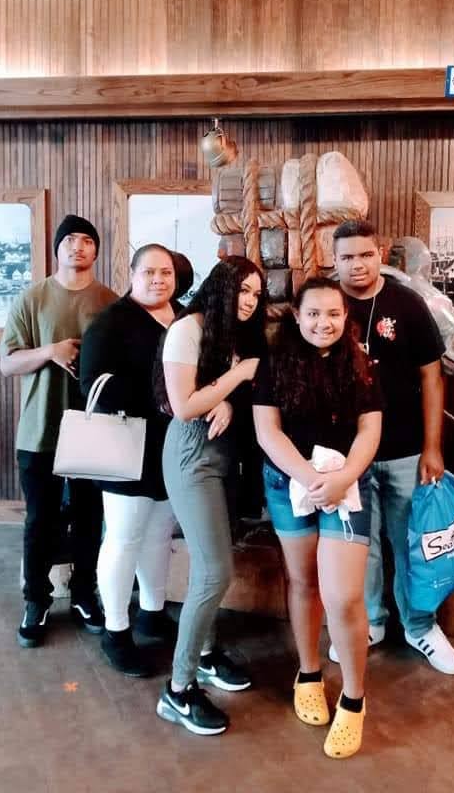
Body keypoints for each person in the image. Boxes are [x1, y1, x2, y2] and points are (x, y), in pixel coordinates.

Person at [253, 278, 382, 759]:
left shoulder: (361, 363)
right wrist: (311, 479)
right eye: (313, 313)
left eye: (333, 313)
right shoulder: (273, 364)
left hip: (347, 487)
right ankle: (308, 672)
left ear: (346, 316)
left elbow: (370, 429)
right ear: (297, 315)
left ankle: (354, 697)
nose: (323, 323)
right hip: (289, 483)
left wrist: (343, 478)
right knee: (304, 581)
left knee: (344, 596)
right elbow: (268, 432)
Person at [331, 220, 454, 675]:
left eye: (365, 254)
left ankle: (420, 625)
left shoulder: (406, 302)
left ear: (380, 253)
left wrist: (433, 447)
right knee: (360, 546)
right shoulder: (326, 304)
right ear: (334, 260)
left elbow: (433, 377)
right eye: (347, 257)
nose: (357, 265)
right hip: (347, 455)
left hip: (406, 449)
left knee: (412, 543)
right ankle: (371, 621)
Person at [156, 256, 266, 736]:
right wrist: (235, 380)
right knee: (214, 571)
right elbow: (183, 406)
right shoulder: (188, 328)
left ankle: (203, 654)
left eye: (256, 294)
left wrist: (227, 400)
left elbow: (220, 394)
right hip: (191, 458)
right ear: (221, 287)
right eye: (243, 290)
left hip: (224, 457)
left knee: (213, 566)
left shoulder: (232, 333)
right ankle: (177, 690)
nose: (250, 301)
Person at [0, 214, 117, 648]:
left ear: (96, 250)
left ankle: (85, 595)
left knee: (90, 518)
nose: (78, 247)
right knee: (40, 521)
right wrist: (51, 350)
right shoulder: (32, 298)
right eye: (70, 240)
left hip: (95, 428)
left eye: (87, 240)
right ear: (57, 248)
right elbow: (7, 363)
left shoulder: (109, 301)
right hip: (40, 430)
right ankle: (37, 599)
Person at [79, 244, 193, 677]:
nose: (159, 280)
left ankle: (152, 611)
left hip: (172, 444)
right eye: (149, 272)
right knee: (124, 536)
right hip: (126, 444)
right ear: (132, 274)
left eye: (166, 272)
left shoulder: (183, 317)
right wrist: (162, 398)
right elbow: (93, 385)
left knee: (159, 532)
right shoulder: (110, 322)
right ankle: (116, 630)